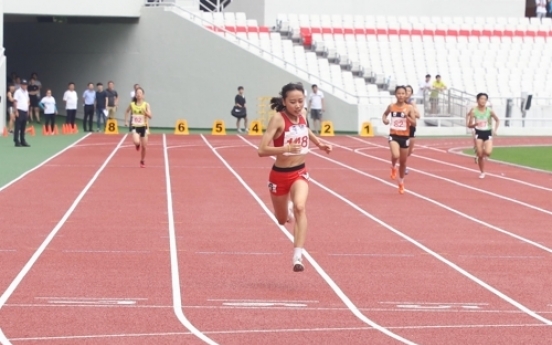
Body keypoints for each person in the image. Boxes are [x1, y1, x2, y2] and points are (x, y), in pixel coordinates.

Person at [257, 83, 332, 272]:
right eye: (293, 102)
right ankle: (286, 212)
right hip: (279, 175)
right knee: (282, 220)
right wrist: (285, 149)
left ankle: (298, 255)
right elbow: (262, 150)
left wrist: (320, 143)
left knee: (301, 206)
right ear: (284, 102)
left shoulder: (303, 114)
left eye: (300, 101)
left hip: (300, 171)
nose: (298, 105)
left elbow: (306, 130)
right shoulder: (277, 120)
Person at [382, 86, 416, 194]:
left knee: (403, 162)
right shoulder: (391, 106)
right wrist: (385, 120)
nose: (401, 95)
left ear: (406, 95)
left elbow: (414, 123)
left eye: (403, 93)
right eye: (399, 93)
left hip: (405, 137)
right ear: (395, 95)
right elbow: (384, 114)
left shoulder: (409, 108)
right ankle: (392, 167)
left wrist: (407, 117)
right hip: (394, 135)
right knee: (395, 155)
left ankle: (401, 182)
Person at [466, 93, 500, 179]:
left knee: (488, 152)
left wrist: (495, 130)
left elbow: (497, 120)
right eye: (481, 99)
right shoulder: (474, 111)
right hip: (478, 133)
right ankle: (482, 172)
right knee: (480, 154)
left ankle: (479, 156)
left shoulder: (489, 110)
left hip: (487, 133)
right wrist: (475, 124)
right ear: (477, 100)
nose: (483, 101)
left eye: (485, 99)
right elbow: (469, 125)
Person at [124, 87, 152, 168]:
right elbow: (127, 111)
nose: (138, 94)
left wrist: (146, 113)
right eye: (137, 93)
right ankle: (137, 144)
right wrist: (126, 121)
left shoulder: (146, 105)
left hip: (143, 127)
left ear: (143, 95)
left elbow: (150, 116)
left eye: (140, 93)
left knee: (144, 146)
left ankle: (142, 161)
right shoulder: (132, 104)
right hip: (135, 126)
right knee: (136, 142)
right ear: (135, 95)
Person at [405, 85, 420, 174]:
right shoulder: (400, 102)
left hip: (411, 127)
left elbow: (418, 115)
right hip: (402, 128)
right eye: (406, 91)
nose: (407, 93)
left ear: (411, 93)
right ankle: (404, 167)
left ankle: (409, 151)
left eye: (409, 91)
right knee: (403, 150)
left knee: (409, 152)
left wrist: (410, 112)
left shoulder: (412, 103)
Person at [13, 79, 31, 147]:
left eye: (25, 85)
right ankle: (16, 141)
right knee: (18, 126)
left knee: (23, 127)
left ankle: (22, 140)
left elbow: (28, 102)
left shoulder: (26, 92)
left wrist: (28, 110)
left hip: (25, 110)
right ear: (21, 85)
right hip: (19, 110)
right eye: (23, 84)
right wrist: (16, 111)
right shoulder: (18, 92)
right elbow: (15, 101)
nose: (24, 86)